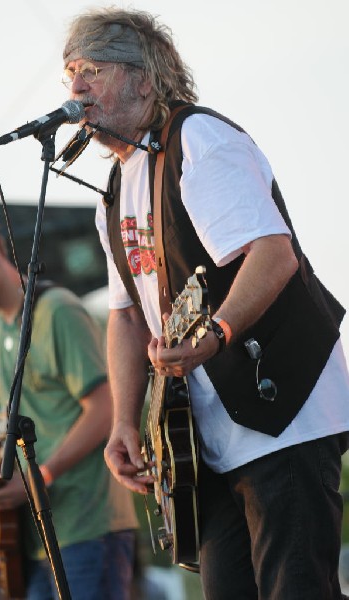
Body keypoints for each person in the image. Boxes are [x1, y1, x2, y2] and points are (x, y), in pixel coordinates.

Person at [59, 7, 349, 600]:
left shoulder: (198, 139)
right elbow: (125, 315)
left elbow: (272, 255)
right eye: (69, 74)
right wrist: (123, 421)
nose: (77, 87)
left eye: (93, 68)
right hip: (202, 442)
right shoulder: (114, 192)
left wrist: (214, 335)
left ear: (145, 77)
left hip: (281, 416)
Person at [0, 212, 138, 600]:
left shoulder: (57, 310)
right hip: (33, 540)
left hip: (91, 527)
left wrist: (41, 478)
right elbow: (2, 433)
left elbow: (106, 410)